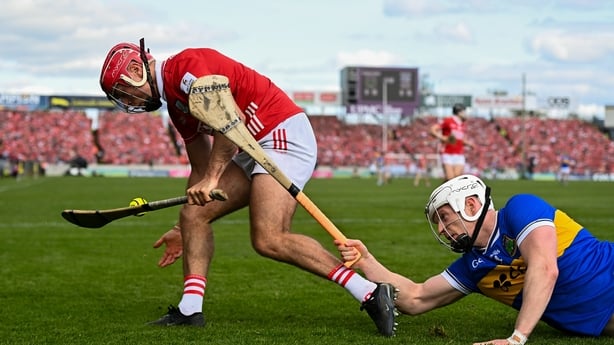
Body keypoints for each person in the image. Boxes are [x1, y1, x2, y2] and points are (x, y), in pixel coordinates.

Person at [99, 39, 397, 336]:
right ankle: (190, 310)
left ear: (137, 69)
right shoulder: (176, 105)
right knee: (193, 216)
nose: (130, 104)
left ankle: (369, 292)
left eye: (125, 93)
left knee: (269, 238)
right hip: (248, 145)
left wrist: (214, 178)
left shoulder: (186, 68)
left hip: (280, 133)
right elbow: (201, 169)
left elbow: (231, 121)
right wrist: (181, 227)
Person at [335, 174, 614, 344]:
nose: (443, 230)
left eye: (444, 218)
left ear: (470, 205)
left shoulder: (520, 208)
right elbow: (416, 298)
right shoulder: (473, 268)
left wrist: (517, 338)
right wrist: (365, 261)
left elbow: (544, 268)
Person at [430, 104, 475, 180]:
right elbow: (432, 129)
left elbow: (459, 139)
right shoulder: (448, 121)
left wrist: (469, 144)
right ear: (459, 112)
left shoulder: (462, 125)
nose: (466, 114)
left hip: (459, 153)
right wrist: (442, 137)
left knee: (457, 178)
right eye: (464, 112)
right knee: (450, 178)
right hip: (447, 153)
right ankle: (442, 191)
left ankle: (443, 190)